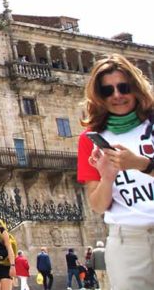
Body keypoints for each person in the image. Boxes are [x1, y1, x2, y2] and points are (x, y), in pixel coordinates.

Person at [77, 54, 154, 290]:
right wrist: (108, 176)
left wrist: (141, 164)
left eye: (123, 87)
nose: (117, 95)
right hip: (127, 241)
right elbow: (98, 206)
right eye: (107, 91)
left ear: (136, 87)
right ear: (99, 96)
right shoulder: (90, 139)